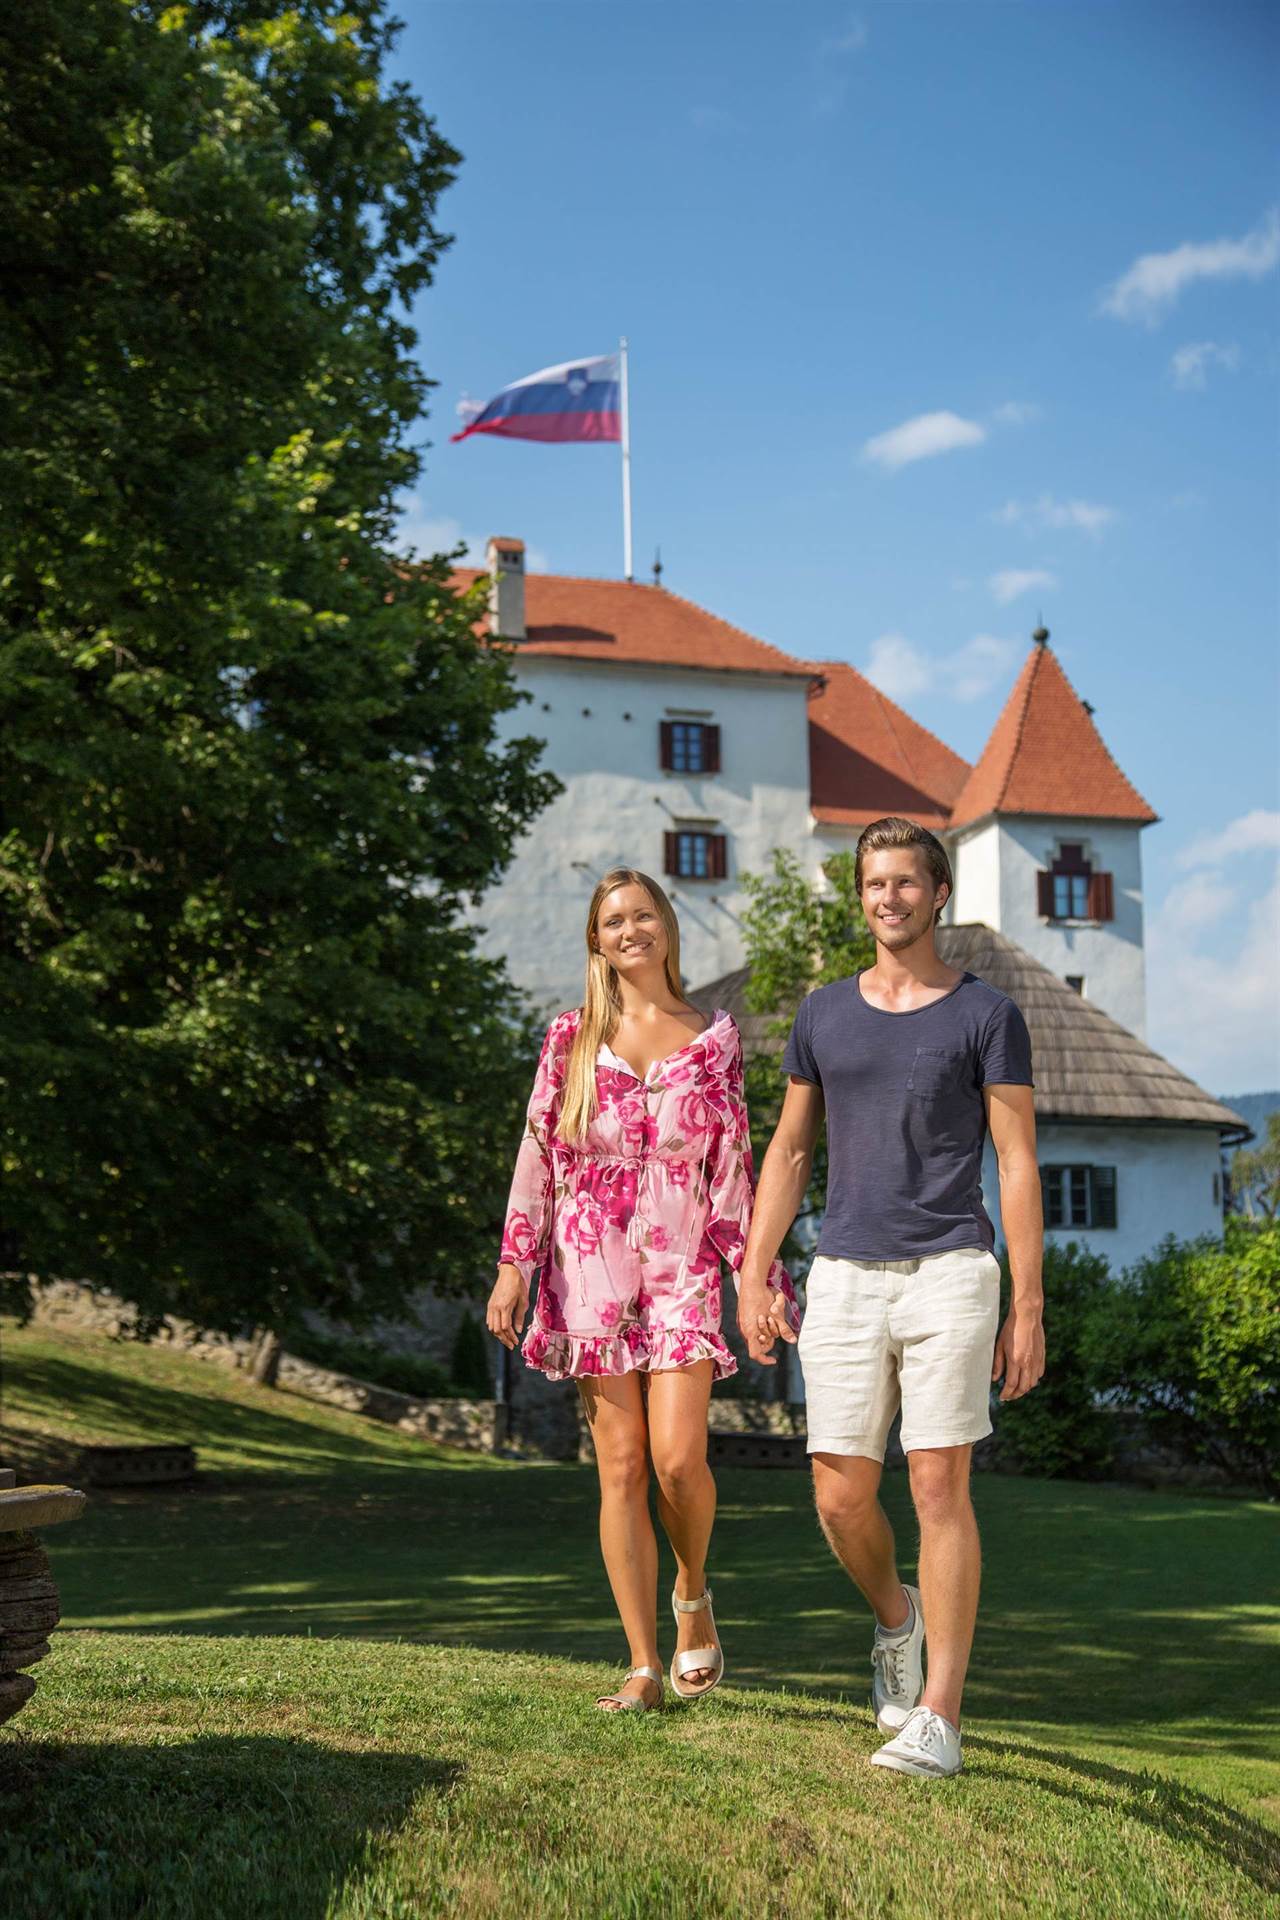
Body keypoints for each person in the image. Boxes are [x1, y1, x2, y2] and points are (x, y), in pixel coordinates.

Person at [738, 816, 1043, 1777]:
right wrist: (756, 1268)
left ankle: (940, 1718)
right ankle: (896, 1619)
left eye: (906, 883)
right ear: (860, 895)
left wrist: (1027, 1304)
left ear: (938, 893)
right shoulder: (824, 1013)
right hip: (844, 1270)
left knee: (936, 1485)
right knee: (838, 1497)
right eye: (874, 884)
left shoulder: (986, 1015)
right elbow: (788, 1150)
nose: (889, 899)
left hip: (953, 1267)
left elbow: (1017, 1158)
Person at [487, 866, 794, 1713]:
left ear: (667, 925)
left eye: (643, 914)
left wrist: (755, 1279)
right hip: (590, 1266)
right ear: (597, 939)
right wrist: (517, 1263)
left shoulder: (716, 1034)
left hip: (683, 1261)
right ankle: (643, 1665)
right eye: (614, 920)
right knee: (620, 1468)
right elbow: (538, 1156)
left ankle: (693, 1591)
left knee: (678, 1461)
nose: (630, 930)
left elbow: (733, 1165)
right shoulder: (571, 1038)